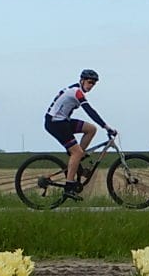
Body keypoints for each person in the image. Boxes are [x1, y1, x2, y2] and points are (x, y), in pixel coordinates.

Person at [45, 68, 116, 199]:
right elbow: (90, 111)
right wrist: (106, 127)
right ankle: (69, 186)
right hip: (55, 123)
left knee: (91, 129)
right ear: (82, 80)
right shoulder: (76, 92)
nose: (91, 86)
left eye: (93, 84)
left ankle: (77, 159)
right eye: (89, 82)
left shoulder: (76, 90)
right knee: (76, 152)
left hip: (63, 121)